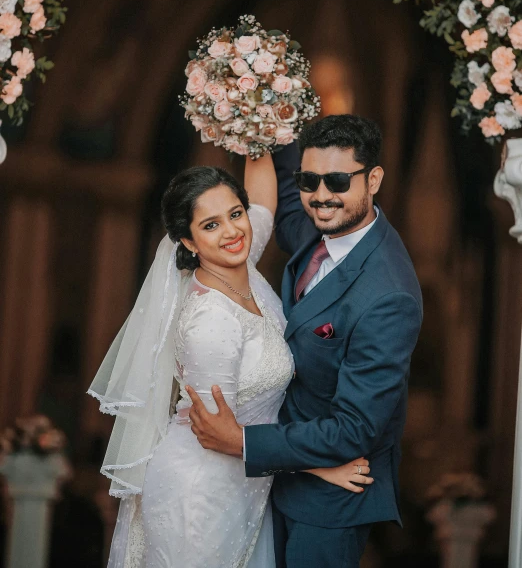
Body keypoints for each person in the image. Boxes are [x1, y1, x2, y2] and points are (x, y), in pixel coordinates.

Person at [89, 159, 372, 568]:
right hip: (200, 496)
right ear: (187, 242)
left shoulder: (242, 268)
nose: (232, 231)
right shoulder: (210, 322)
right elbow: (218, 434)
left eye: (235, 214)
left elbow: (262, 204)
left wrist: (251, 120)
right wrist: (322, 467)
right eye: (211, 225)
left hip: (243, 486)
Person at [187, 114, 423, 568]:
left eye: (337, 180)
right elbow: (288, 210)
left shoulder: (388, 295)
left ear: (373, 179)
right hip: (271, 482)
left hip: (329, 503)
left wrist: (243, 442)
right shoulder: (320, 228)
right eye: (309, 180)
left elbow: (356, 428)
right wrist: (264, 105)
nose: (320, 196)